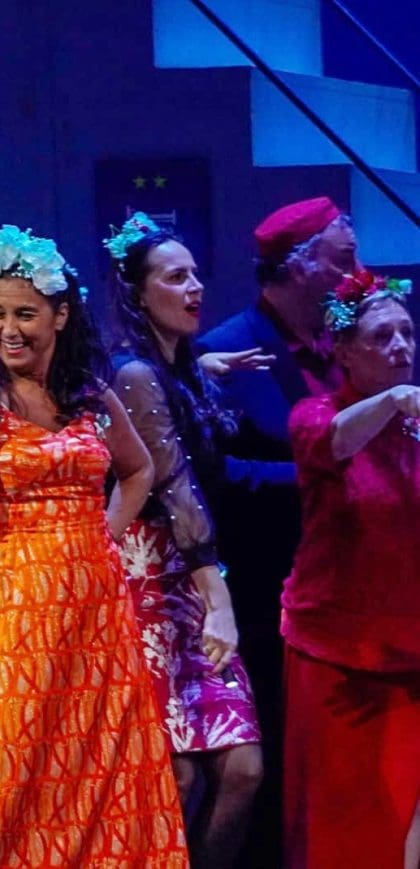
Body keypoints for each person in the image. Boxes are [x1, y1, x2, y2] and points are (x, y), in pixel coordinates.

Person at [0, 224, 187, 867]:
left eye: (26, 315)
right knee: (8, 769)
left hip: (96, 613)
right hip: (15, 613)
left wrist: (101, 538)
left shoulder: (91, 394)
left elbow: (140, 471)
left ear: (60, 316)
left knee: (103, 768)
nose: (9, 329)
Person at [196, 196, 359, 862]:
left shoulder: (348, 344)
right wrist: (321, 475)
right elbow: (219, 475)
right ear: (298, 265)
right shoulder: (226, 350)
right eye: (342, 259)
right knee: (274, 776)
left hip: (353, 590)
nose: (355, 274)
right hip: (270, 596)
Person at [104, 214, 263, 866]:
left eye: (195, 274)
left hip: (193, 575)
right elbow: (175, 486)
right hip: (153, 583)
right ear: (139, 294)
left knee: (243, 768)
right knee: (179, 774)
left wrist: (201, 367)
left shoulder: (178, 367)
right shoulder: (134, 373)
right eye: (175, 277)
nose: (195, 286)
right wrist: (216, 596)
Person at [283, 269, 420, 868]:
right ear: (343, 351)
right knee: (343, 826)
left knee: (404, 819)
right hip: (337, 656)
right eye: (382, 336)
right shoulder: (315, 414)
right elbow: (336, 441)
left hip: (409, 654)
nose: (401, 347)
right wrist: (391, 401)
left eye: (407, 333)